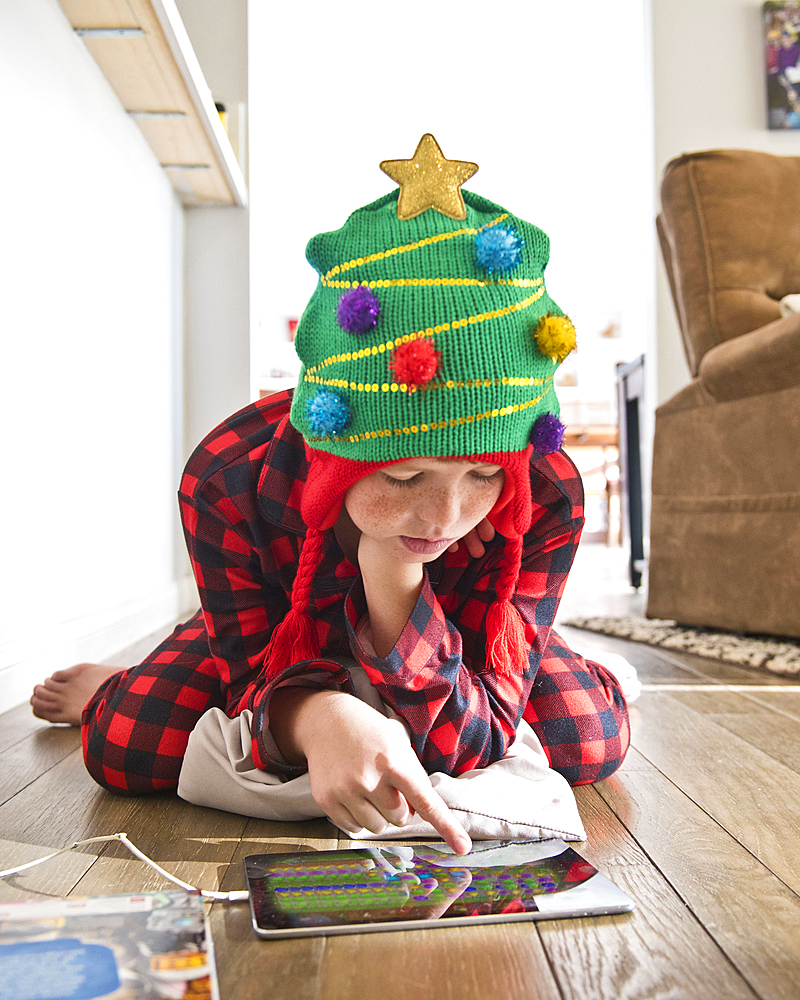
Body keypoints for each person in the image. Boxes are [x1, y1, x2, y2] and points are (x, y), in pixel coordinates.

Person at [32, 136, 633, 856]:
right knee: (128, 744)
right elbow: (255, 670)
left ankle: (562, 653)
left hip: (467, 628)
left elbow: (472, 743)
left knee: (587, 735)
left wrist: (396, 573)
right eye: (404, 476)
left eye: (482, 476)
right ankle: (115, 681)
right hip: (290, 618)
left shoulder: (546, 488)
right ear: (330, 445)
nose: (445, 518)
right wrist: (318, 718)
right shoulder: (230, 475)